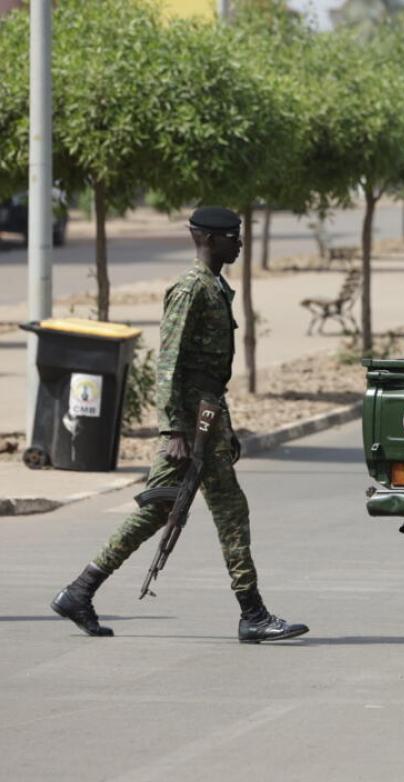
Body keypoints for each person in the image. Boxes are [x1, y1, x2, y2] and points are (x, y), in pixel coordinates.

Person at [50, 207, 309, 643]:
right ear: (206, 238)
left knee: (161, 510)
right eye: (232, 236)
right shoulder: (191, 289)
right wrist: (171, 430)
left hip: (205, 418)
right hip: (189, 425)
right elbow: (168, 365)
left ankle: (79, 591)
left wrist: (224, 427)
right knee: (226, 511)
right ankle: (253, 614)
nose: (239, 243)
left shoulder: (215, 287)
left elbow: (209, 376)